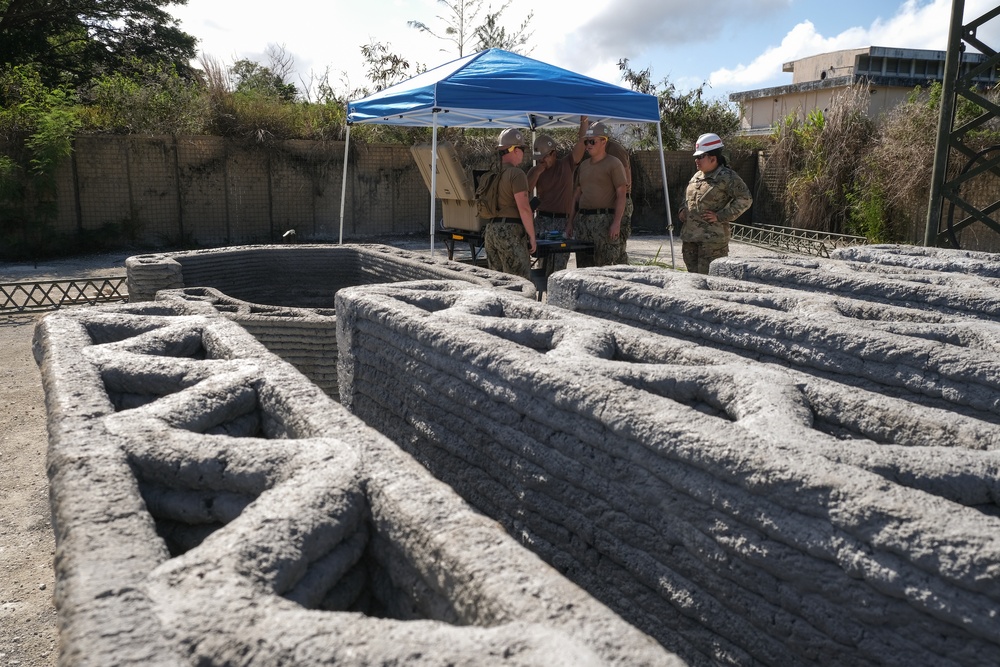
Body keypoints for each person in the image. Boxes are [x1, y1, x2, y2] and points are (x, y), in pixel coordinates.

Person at [677, 133, 752, 274]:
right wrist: (683, 209)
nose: (696, 160)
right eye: (696, 157)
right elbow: (688, 196)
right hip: (690, 239)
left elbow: (745, 199)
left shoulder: (727, 177)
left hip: (712, 242)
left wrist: (721, 216)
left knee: (710, 280)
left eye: (700, 157)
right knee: (693, 280)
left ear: (713, 158)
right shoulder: (697, 176)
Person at [526, 118, 588, 274]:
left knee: (560, 264)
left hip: (562, 221)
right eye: (539, 159)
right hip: (543, 220)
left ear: (553, 153)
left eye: (545, 157)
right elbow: (526, 190)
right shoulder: (535, 171)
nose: (542, 161)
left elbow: (581, 144)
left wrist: (584, 122)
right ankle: (542, 292)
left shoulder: (567, 164)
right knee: (542, 263)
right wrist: (538, 171)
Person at [566, 121, 628, 267]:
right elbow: (576, 196)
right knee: (583, 267)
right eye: (586, 141)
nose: (588, 145)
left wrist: (616, 222)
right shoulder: (583, 165)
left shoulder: (614, 163)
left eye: (592, 141)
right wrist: (570, 223)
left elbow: (621, 194)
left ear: (603, 141)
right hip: (583, 222)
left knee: (604, 268)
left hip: (604, 222)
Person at [483, 127, 536, 279]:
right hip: (510, 231)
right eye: (522, 149)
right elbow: (524, 209)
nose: (523, 153)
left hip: (491, 231)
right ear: (515, 150)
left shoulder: (493, 172)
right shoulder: (516, 173)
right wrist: (532, 237)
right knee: (519, 281)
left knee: (498, 283)